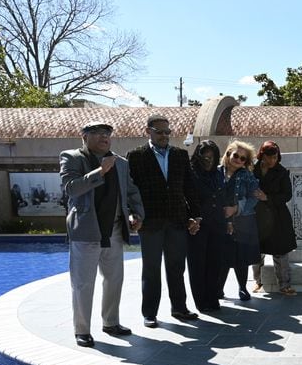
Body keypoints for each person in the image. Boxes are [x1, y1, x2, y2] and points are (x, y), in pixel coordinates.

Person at [59, 121, 144, 347]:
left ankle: (111, 322)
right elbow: (70, 189)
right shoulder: (72, 157)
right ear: (84, 137)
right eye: (96, 133)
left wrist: (136, 214)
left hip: (114, 229)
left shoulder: (121, 163)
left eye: (107, 133)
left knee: (114, 280)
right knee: (83, 283)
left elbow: (131, 191)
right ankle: (82, 330)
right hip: (87, 230)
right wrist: (100, 171)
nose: (104, 137)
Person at [127, 114, 201, 328]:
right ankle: (149, 313)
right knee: (151, 269)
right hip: (150, 222)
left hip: (177, 220)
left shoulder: (180, 155)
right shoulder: (136, 156)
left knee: (177, 267)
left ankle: (179, 308)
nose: (164, 135)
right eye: (159, 131)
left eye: (167, 132)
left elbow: (189, 188)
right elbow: (131, 191)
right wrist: (134, 213)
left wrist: (195, 215)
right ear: (148, 131)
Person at [251, 141, 298, 296]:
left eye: (275, 157)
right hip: (257, 216)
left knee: (281, 252)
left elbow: (287, 195)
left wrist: (267, 197)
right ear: (262, 155)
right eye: (268, 157)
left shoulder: (282, 172)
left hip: (277, 217)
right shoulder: (252, 169)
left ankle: (285, 284)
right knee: (256, 251)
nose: (272, 161)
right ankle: (258, 282)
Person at [187, 140, 228, 312]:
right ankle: (201, 301)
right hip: (198, 224)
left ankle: (212, 297)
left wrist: (228, 221)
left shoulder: (218, 174)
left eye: (211, 157)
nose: (208, 161)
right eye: (204, 157)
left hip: (217, 224)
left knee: (214, 263)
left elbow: (222, 197)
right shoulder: (190, 174)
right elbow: (187, 198)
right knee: (198, 264)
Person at [217, 140, 260, 301]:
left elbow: (253, 197)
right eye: (236, 155)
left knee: (241, 257)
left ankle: (242, 288)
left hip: (242, 222)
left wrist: (236, 209)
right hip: (220, 221)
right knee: (222, 256)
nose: (239, 160)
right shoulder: (216, 173)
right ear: (228, 154)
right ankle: (218, 289)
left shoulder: (247, 176)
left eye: (243, 159)